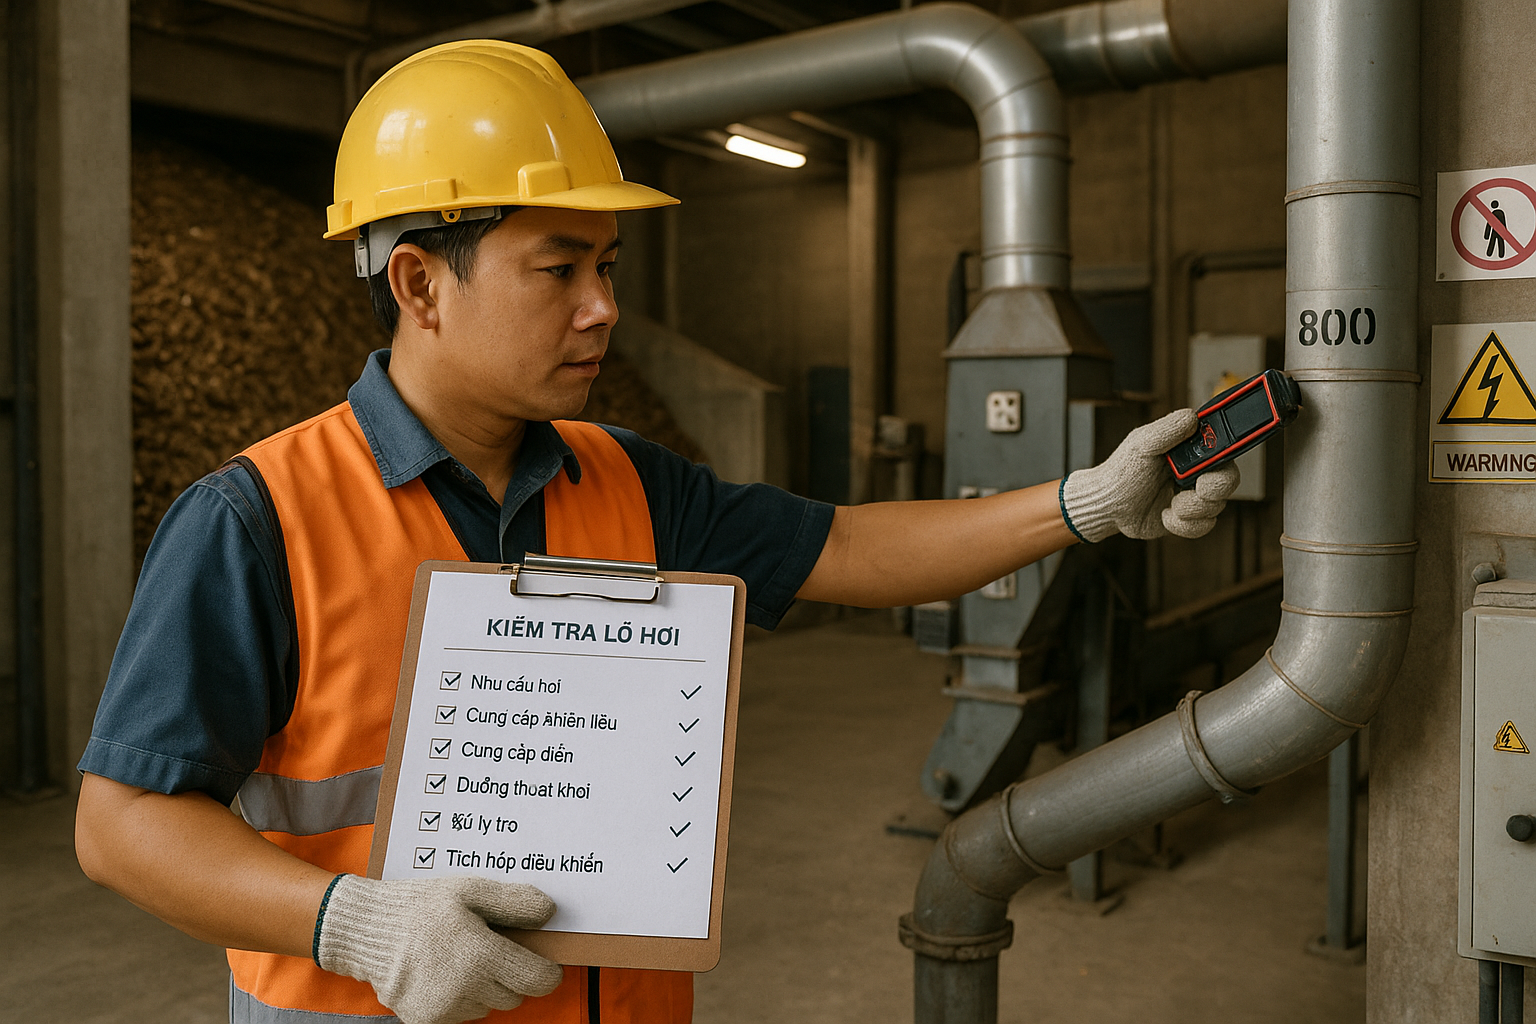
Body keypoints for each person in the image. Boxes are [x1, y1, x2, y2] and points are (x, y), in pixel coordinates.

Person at [73, 39, 1238, 1024]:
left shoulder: (623, 477)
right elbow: (122, 825)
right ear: (422, 285)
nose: (604, 309)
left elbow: (847, 549)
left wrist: (1082, 505)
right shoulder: (259, 516)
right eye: (561, 266)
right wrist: (352, 919)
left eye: (609, 264)